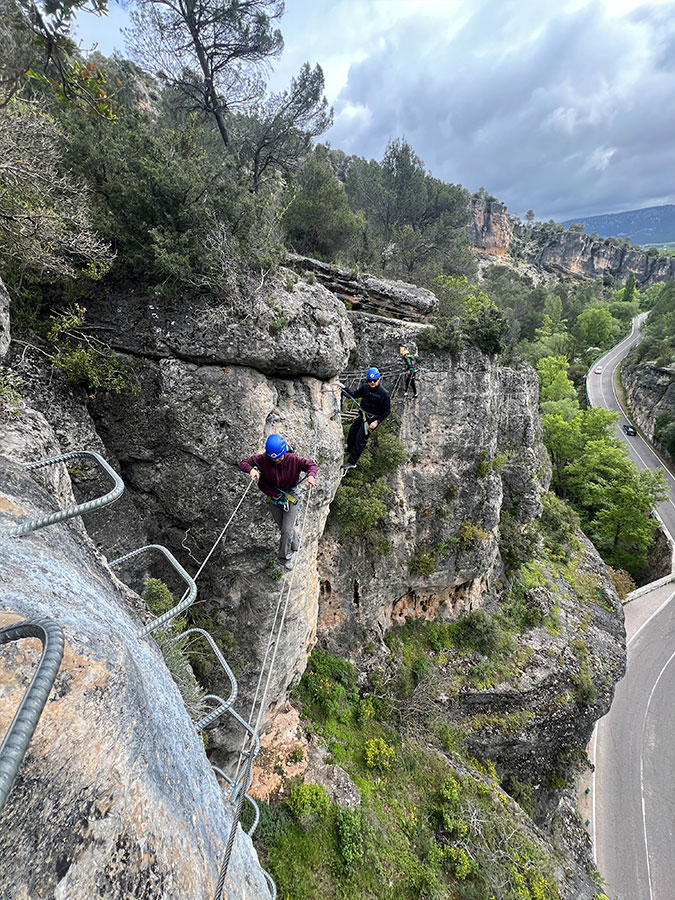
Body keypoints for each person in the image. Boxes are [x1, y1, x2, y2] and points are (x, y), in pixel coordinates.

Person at [239, 434, 317, 569]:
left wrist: (311, 475)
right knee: (284, 528)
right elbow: (243, 463)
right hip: (274, 498)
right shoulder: (263, 459)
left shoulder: (293, 459)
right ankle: (295, 545)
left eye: (279, 457)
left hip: (291, 497)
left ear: (284, 451)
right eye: (273, 459)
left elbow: (311, 465)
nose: (277, 461)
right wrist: (251, 470)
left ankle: (284, 558)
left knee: (286, 530)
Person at [342, 367, 391, 474]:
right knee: (352, 431)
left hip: (373, 420)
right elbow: (353, 395)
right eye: (370, 381)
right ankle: (349, 450)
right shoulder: (365, 388)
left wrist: (377, 421)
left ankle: (352, 462)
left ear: (379, 379)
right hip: (363, 415)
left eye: (374, 380)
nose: (372, 383)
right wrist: (343, 388)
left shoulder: (384, 394)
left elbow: (387, 411)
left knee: (361, 439)